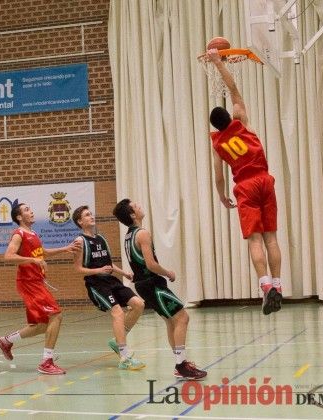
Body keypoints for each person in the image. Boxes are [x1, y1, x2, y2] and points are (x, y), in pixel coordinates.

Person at [207, 48, 283, 315]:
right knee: (272, 238)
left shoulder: (217, 142)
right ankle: (278, 284)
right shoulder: (242, 121)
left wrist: (221, 195)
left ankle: (264, 287)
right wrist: (218, 62)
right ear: (231, 116)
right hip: (265, 180)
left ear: (215, 126)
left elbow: (218, 176)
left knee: (255, 240)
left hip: (245, 186)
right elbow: (234, 88)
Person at [113, 199, 207, 380]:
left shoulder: (128, 235)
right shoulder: (142, 234)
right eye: (136, 206)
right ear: (132, 214)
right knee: (182, 317)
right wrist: (168, 273)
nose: (140, 206)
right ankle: (181, 365)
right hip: (152, 283)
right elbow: (151, 264)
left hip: (143, 284)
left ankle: (181, 363)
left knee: (171, 322)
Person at [0, 203, 80, 375]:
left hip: (36, 282)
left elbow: (42, 253)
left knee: (42, 325)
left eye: (30, 209)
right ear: (19, 217)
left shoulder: (33, 233)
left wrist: (65, 248)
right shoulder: (19, 234)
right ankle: (46, 362)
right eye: (26, 210)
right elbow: (8, 256)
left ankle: (6, 341)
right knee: (56, 315)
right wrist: (34, 261)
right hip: (28, 282)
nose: (31, 211)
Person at [71, 205, 146, 370]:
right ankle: (124, 357)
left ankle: (117, 340)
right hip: (96, 284)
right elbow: (77, 268)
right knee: (118, 312)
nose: (91, 216)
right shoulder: (79, 241)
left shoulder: (101, 238)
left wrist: (124, 273)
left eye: (91, 213)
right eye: (87, 215)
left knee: (138, 304)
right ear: (80, 221)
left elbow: (108, 263)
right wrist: (98, 270)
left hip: (111, 280)